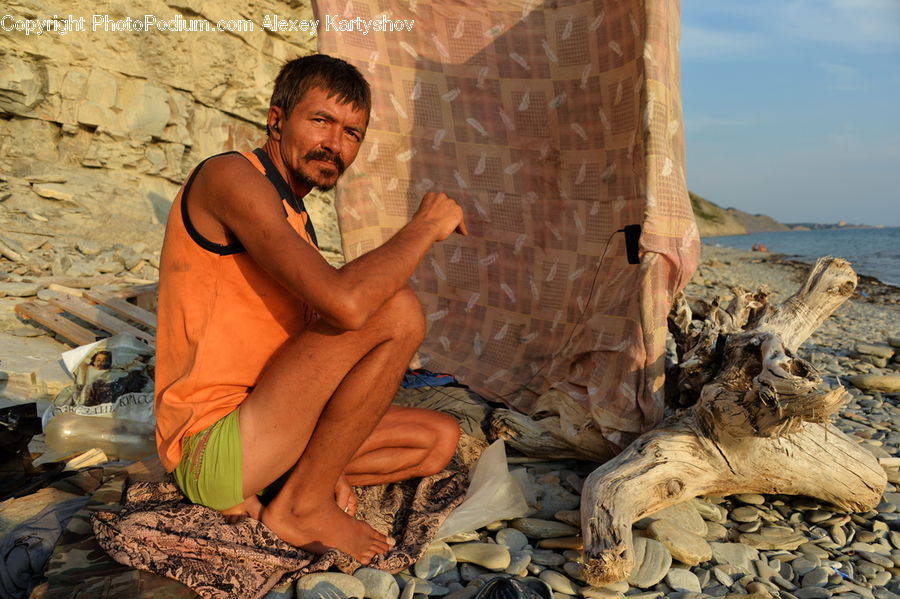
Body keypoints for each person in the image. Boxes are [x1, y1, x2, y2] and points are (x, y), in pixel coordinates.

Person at [154, 54, 468, 565]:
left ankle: (301, 484)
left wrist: (331, 463)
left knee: (437, 440)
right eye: (321, 121)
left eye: (352, 133)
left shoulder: (294, 215)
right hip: (212, 446)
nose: (335, 144)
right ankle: (300, 507)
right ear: (277, 119)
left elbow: (308, 354)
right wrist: (423, 228)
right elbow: (345, 306)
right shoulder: (229, 177)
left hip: (269, 430)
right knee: (396, 310)